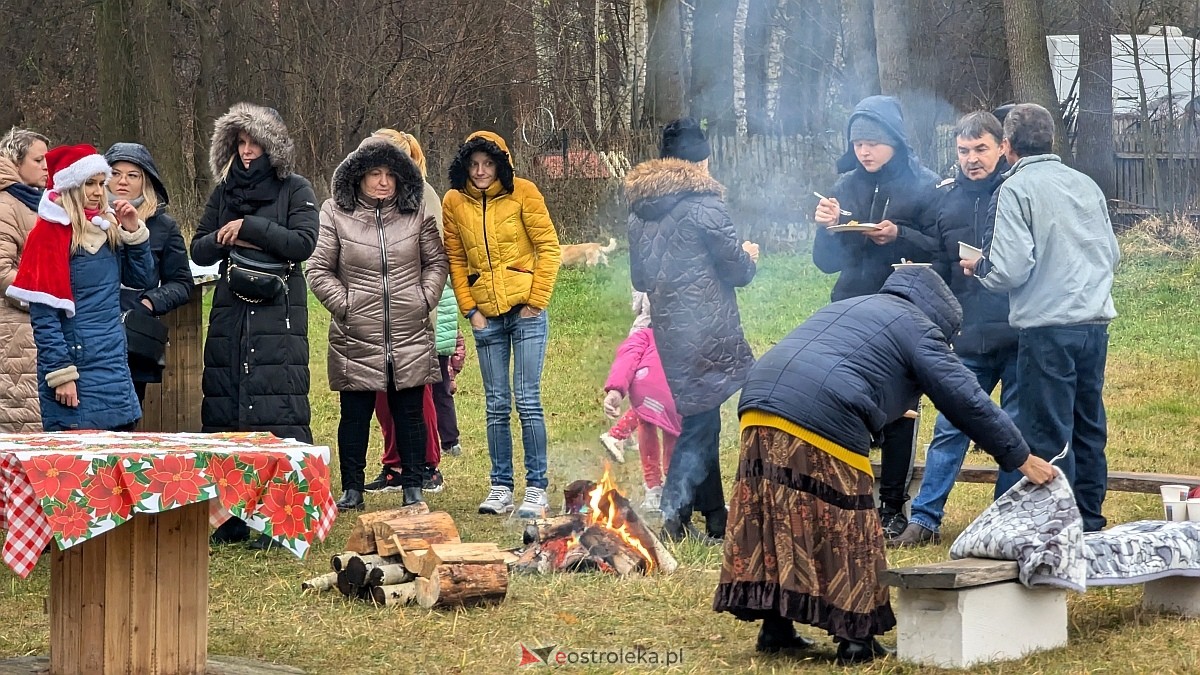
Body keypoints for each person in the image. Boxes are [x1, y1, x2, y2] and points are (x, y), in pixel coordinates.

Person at [713, 265, 1056, 664]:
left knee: (776, 517)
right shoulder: (919, 328)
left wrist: (885, 408)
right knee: (850, 528)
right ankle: (856, 641)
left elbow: (845, 364)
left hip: (759, 404)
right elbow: (967, 399)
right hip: (820, 413)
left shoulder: (858, 305)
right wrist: (1020, 456)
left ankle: (775, 627)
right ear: (940, 319)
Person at [967, 103, 1120, 533]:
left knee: (1049, 433)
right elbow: (1112, 253)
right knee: (1088, 426)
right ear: (1051, 140)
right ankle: (1089, 519)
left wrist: (979, 268)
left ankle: (1056, 527)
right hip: (1094, 325)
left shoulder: (1015, 188)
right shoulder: (1084, 183)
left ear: (1007, 145)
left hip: (1047, 328)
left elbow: (1010, 269)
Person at [812, 95, 941, 540]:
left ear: (895, 141)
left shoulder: (925, 186)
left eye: (872, 142)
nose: (864, 151)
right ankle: (851, 499)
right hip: (850, 307)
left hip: (903, 309)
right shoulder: (845, 186)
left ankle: (892, 506)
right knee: (847, 402)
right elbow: (826, 263)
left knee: (900, 408)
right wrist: (826, 228)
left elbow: (940, 250)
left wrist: (900, 235)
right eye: (857, 143)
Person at [625, 117, 758, 542]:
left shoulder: (640, 210)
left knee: (704, 415)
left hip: (669, 329)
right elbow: (738, 272)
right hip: (707, 328)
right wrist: (749, 255)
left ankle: (715, 517)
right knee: (700, 423)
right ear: (701, 161)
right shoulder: (705, 205)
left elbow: (641, 278)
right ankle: (674, 514)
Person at [191, 103, 318, 546]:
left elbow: (303, 242)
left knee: (277, 410)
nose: (247, 151)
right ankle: (229, 518)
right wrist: (223, 236)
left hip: (278, 314)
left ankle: (278, 518)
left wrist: (250, 228)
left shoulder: (296, 188)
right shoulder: (224, 190)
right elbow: (199, 248)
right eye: (241, 143)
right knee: (226, 406)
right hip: (230, 311)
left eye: (255, 143)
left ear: (272, 146)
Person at [892, 110, 1018, 547]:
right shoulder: (945, 200)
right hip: (967, 338)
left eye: (981, 148)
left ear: (1002, 147)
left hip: (1018, 334)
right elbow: (940, 267)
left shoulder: (1017, 193)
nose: (972, 159)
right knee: (950, 427)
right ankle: (924, 520)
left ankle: (1003, 521)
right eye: (964, 150)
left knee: (1014, 429)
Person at [308, 136, 448, 510]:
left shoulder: (415, 212)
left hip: (408, 329)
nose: (383, 181)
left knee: (410, 413)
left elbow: (436, 262)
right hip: (356, 332)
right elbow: (318, 269)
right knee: (354, 415)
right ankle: (352, 489)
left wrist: (423, 300)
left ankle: (413, 486)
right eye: (375, 173)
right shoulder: (335, 212)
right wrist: (347, 306)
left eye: (390, 173)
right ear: (359, 176)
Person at [443, 131, 562, 518]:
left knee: (526, 399)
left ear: (501, 165)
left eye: (488, 164)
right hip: (486, 318)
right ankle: (501, 486)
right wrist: (470, 311)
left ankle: (537, 487)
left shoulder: (524, 193)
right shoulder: (454, 201)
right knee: (496, 405)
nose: (480, 172)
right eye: (474, 164)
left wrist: (536, 301)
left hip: (525, 312)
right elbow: (455, 259)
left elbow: (548, 248)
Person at [6, 144, 156, 431]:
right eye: (90, 183)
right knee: (78, 456)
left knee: (120, 451)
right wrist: (61, 374)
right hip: (76, 366)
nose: (99, 192)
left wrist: (133, 231)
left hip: (113, 360)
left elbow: (142, 280)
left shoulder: (106, 226)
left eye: (101, 183)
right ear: (71, 187)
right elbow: (44, 316)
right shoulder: (48, 235)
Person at [362, 129, 462, 496]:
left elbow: (434, 258)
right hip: (374, 313)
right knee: (381, 394)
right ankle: (394, 465)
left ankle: (427, 466)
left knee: (416, 394)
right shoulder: (368, 199)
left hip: (411, 313)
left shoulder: (424, 196)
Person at [104, 143, 194, 402]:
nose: (123, 181)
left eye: (132, 175)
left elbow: (181, 283)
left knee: (128, 413)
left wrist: (148, 302)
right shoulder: (88, 218)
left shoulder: (163, 225)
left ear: (145, 180)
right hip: (92, 329)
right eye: (115, 173)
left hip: (134, 334)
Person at [602, 315, 682, 513]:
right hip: (674, 392)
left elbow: (627, 358)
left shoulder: (644, 334)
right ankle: (673, 487)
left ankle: (653, 488)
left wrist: (616, 390)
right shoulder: (685, 338)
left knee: (646, 424)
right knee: (673, 433)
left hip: (643, 387)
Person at [0, 128, 49, 432]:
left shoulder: (34, 200)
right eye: (38, 160)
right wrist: (45, 296)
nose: (46, 167)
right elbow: (2, 271)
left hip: (36, 326)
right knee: (19, 417)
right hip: (14, 329)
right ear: (15, 162)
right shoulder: (6, 205)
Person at [598, 290, 653, 463]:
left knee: (643, 391)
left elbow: (636, 306)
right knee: (654, 397)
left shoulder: (641, 277)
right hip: (650, 338)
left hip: (640, 330)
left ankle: (626, 435)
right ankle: (616, 435)